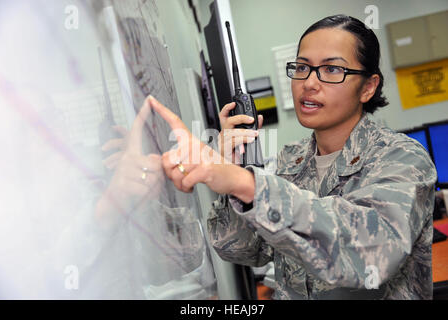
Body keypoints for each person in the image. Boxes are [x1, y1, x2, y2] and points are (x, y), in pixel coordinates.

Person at [147, 14, 437, 299]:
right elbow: (240, 248)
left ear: (368, 87)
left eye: (332, 70)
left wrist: (246, 183)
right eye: (301, 67)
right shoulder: (288, 161)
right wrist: (231, 174)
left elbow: (371, 253)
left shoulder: (403, 158)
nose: (309, 82)